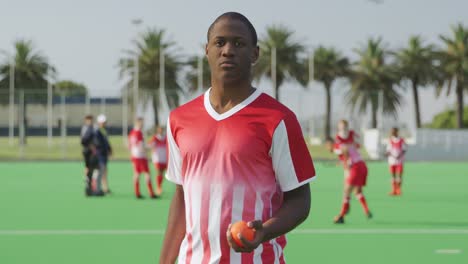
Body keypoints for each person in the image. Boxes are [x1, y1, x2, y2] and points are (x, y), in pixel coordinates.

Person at [160, 12, 316, 263]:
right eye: (220, 42)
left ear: (255, 54)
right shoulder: (179, 119)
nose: (228, 50)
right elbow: (181, 200)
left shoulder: (278, 119)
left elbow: (300, 200)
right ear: (207, 50)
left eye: (239, 43)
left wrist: (264, 231)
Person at [326, 121, 372, 224]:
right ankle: (366, 210)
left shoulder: (337, 146)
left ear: (330, 144)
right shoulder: (345, 140)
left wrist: (346, 164)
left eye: (327, 145)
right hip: (362, 165)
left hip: (355, 167)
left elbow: (345, 150)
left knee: (347, 192)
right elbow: (353, 148)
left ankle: (341, 215)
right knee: (357, 192)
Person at [128, 118, 156, 199]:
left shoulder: (132, 132)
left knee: (137, 173)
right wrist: (149, 147)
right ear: (138, 123)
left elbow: (130, 145)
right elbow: (141, 146)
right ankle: (151, 193)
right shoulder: (138, 133)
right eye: (141, 123)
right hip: (140, 156)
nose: (143, 125)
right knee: (145, 173)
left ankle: (137, 193)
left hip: (135, 155)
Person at [93, 114, 112, 196]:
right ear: (99, 122)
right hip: (99, 154)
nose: (104, 123)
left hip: (104, 154)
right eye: (103, 122)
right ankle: (96, 187)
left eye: (105, 122)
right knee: (99, 171)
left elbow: (106, 141)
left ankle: (105, 188)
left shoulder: (104, 130)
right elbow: (97, 143)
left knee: (104, 170)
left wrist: (109, 149)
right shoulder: (96, 131)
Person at [385, 127, 407, 196]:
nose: (392, 132)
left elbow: (404, 149)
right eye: (392, 131)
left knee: (399, 175)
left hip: (399, 161)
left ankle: (398, 190)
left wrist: (399, 156)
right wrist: (388, 154)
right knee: (393, 176)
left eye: (394, 131)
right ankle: (393, 190)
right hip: (392, 161)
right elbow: (388, 150)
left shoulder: (401, 140)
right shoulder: (390, 140)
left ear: (397, 132)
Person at [80, 115, 97, 196]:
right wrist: (91, 146)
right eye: (89, 120)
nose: (90, 122)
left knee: (90, 168)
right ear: (86, 121)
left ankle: (89, 185)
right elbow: (83, 141)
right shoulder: (87, 129)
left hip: (89, 151)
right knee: (90, 168)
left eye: (91, 120)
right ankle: (89, 186)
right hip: (88, 152)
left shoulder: (91, 128)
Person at [149, 126, 167, 196]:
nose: (161, 131)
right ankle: (158, 187)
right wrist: (152, 147)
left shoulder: (166, 138)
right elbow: (150, 145)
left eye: (162, 130)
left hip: (164, 158)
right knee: (159, 172)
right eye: (160, 130)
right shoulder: (155, 138)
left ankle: (160, 186)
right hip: (157, 158)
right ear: (157, 131)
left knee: (162, 173)